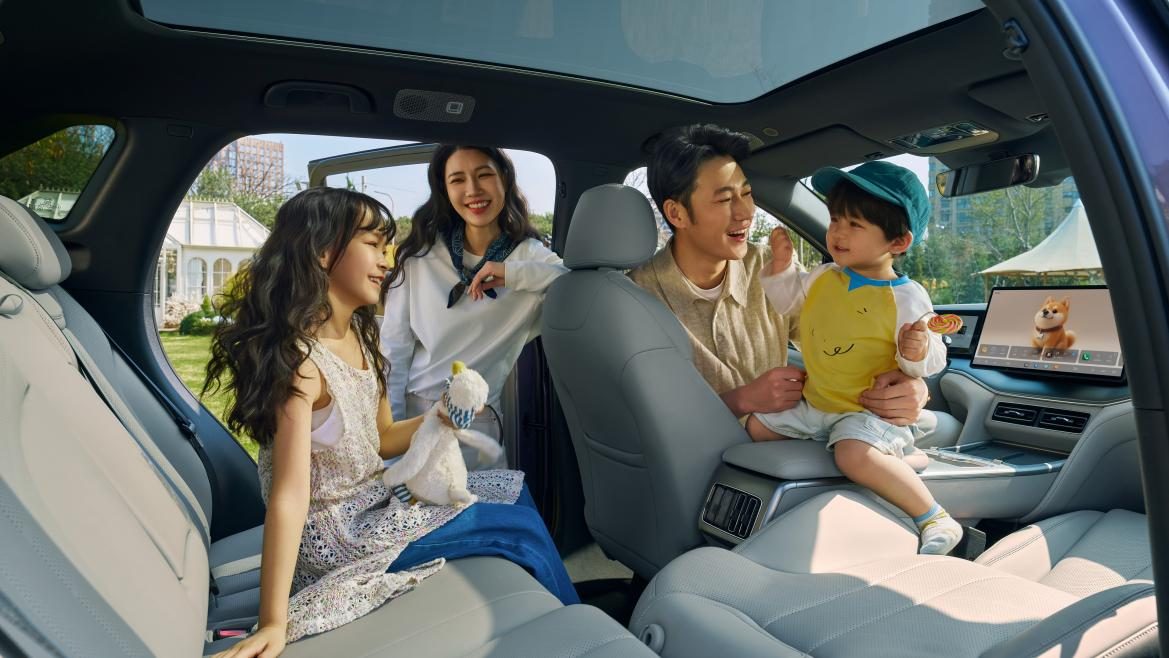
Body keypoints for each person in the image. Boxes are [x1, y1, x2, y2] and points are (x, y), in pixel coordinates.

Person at [204, 187, 576, 658]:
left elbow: (381, 439)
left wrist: (438, 416)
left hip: (374, 503)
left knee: (512, 488)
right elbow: (289, 495)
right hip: (338, 537)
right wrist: (274, 621)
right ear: (322, 253)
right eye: (374, 245)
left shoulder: (364, 340)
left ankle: (553, 607)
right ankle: (576, 626)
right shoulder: (303, 365)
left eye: (387, 247)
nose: (387, 260)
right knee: (515, 528)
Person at [627, 124, 930, 427]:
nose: (746, 212)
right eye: (724, 199)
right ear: (677, 213)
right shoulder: (636, 298)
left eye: (747, 193)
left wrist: (912, 385)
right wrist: (741, 400)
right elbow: (643, 419)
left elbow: (844, 338)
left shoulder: (772, 265)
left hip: (793, 442)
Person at [745, 161, 962, 555]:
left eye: (855, 225)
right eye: (835, 219)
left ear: (898, 242)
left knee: (852, 454)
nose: (838, 232)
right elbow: (790, 302)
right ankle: (878, 454)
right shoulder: (824, 276)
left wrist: (916, 351)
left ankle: (933, 516)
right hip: (818, 403)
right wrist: (780, 271)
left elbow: (932, 359)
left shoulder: (906, 297)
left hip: (867, 412)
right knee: (757, 427)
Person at [381, 145, 567, 470]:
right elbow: (394, 354)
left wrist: (511, 273)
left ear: (504, 179)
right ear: (444, 190)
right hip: (414, 417)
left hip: (478, 423)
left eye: (484, 175)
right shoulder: (421, 257)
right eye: (457, 180)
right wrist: (392, 446)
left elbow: (575, 283)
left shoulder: (529, 257)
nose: (473, 190)